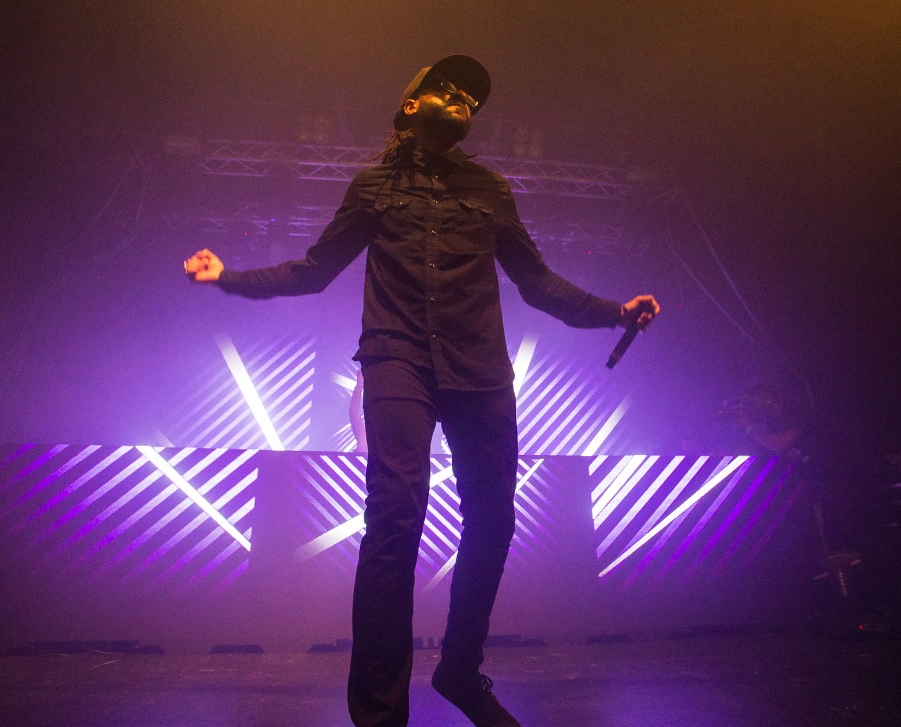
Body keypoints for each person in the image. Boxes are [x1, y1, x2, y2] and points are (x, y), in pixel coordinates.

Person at [185, 55, 660, 727]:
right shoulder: (372, 186)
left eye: (472, 97)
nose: (463, 97)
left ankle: (459, 671)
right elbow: (314, 270)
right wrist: (228, 276)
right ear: (411, 106)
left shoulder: (490, 189)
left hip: (481, 369)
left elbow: (537, 282)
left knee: (492, 519)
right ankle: (379, 713)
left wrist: (614, 311)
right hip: (398, 358)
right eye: (449, 88)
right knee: (395, 515)